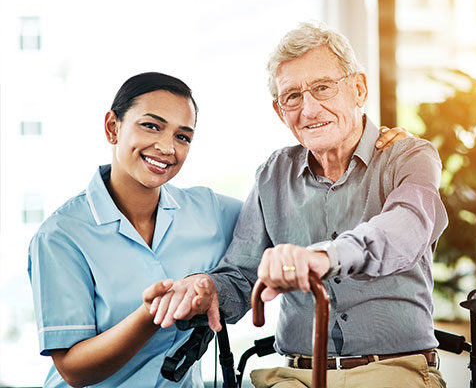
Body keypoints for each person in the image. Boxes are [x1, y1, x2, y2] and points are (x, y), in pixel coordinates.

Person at [27, 71, 407, 387]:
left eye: (182, 136)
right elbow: (73, 368)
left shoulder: (209, 210)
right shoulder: (60, 235)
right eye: (150, 126)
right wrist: (153, 314)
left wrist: (373, 153)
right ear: (113, 127)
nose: (166, 147)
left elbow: (296, 219)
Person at [154, 22, 449, 387]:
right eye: (292, 97)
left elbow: (407, 226)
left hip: (391, 371)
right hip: (295, 375)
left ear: (358, 89)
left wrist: (326, 256)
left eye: (323, 88)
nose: (309, 109)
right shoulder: (272, 175)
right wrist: (206, 290)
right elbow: (242, 276)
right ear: (280, 112)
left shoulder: (409, 157)